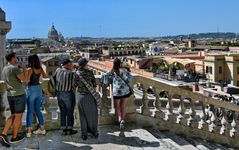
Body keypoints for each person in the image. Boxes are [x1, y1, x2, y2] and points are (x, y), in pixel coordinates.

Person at [0, 52, 27, 147]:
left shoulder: (5, 68)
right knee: (18, 116)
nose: (17, 59)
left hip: (10, 95)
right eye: (16, 57)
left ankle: (5, 135)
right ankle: (13, 137)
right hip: (19, 94)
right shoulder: (15, 68)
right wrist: (24, 69)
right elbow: (25, 80)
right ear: (12, 58)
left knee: (14, 115)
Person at [102, 58, 132, 129]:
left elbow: (105, 76)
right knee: (123, 106)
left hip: (117, 91)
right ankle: (122, 120)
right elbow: (130, 77)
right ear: (120, 63)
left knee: (117, 106)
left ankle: (119, 119)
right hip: (125, 90)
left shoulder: (112, 71)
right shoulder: (124, 70)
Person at [73, 57, 98, 140]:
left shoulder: (76, 73)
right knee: (93, 115)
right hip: (90, 96)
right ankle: (94, 132)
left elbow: (74, 86)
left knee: (82, 116)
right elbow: (94, 84)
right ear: (85, 65)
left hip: (80, 97)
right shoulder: (90, 73)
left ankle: (84, 134)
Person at [25, 54, 47, 138]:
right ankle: (42, 129)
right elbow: (45, 77)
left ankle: (29, 132)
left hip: (31, 90)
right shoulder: (40, 68)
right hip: (38, 89)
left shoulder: (30, 69)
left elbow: (26, 81)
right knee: (38, 110)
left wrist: (24, 71)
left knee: (30, 111)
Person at [54, 58, 77, 135]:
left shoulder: (58, 71)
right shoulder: (72, 73)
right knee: (70, 112)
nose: (72, 66)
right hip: (68, 94)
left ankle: (64, 129)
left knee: (63, 112)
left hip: (59, 94)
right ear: (67, 65)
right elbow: (74, 85)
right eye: (71, 64)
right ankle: (69, 129)